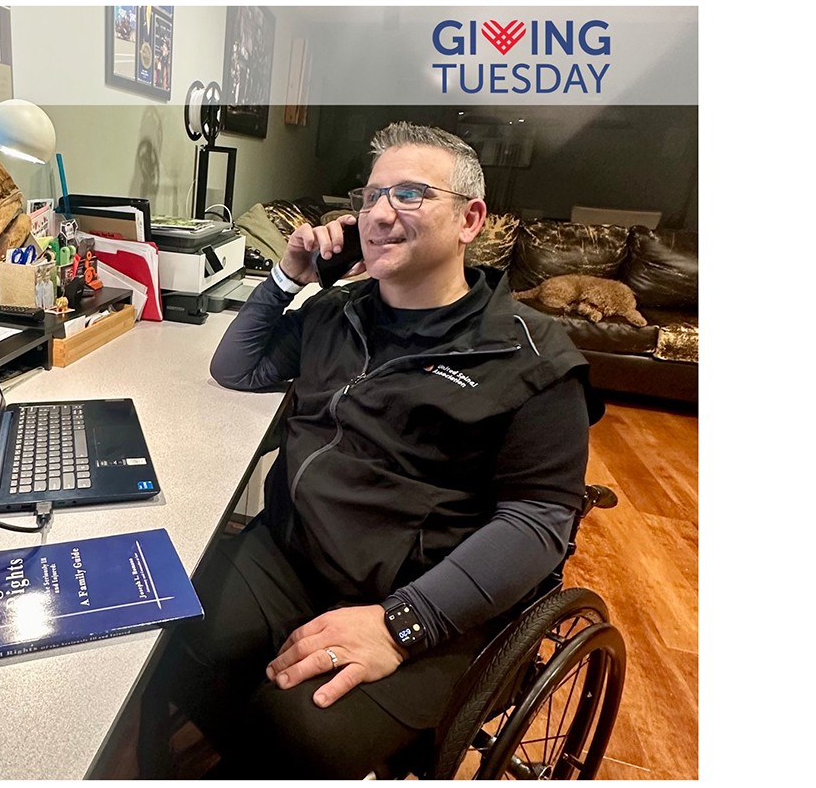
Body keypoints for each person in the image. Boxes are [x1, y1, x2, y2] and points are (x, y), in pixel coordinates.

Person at [141, 123, 597, 779]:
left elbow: (537, 523)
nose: (381, 213)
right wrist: (286, 276)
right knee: (173, 646)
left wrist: (401, 624)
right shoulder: (339, 310)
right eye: (372, 194)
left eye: (410, 194)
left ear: (470, 219)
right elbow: (237, 370)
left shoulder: (532, 358)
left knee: (303, 730)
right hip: (294, 554)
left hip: (427, 595)